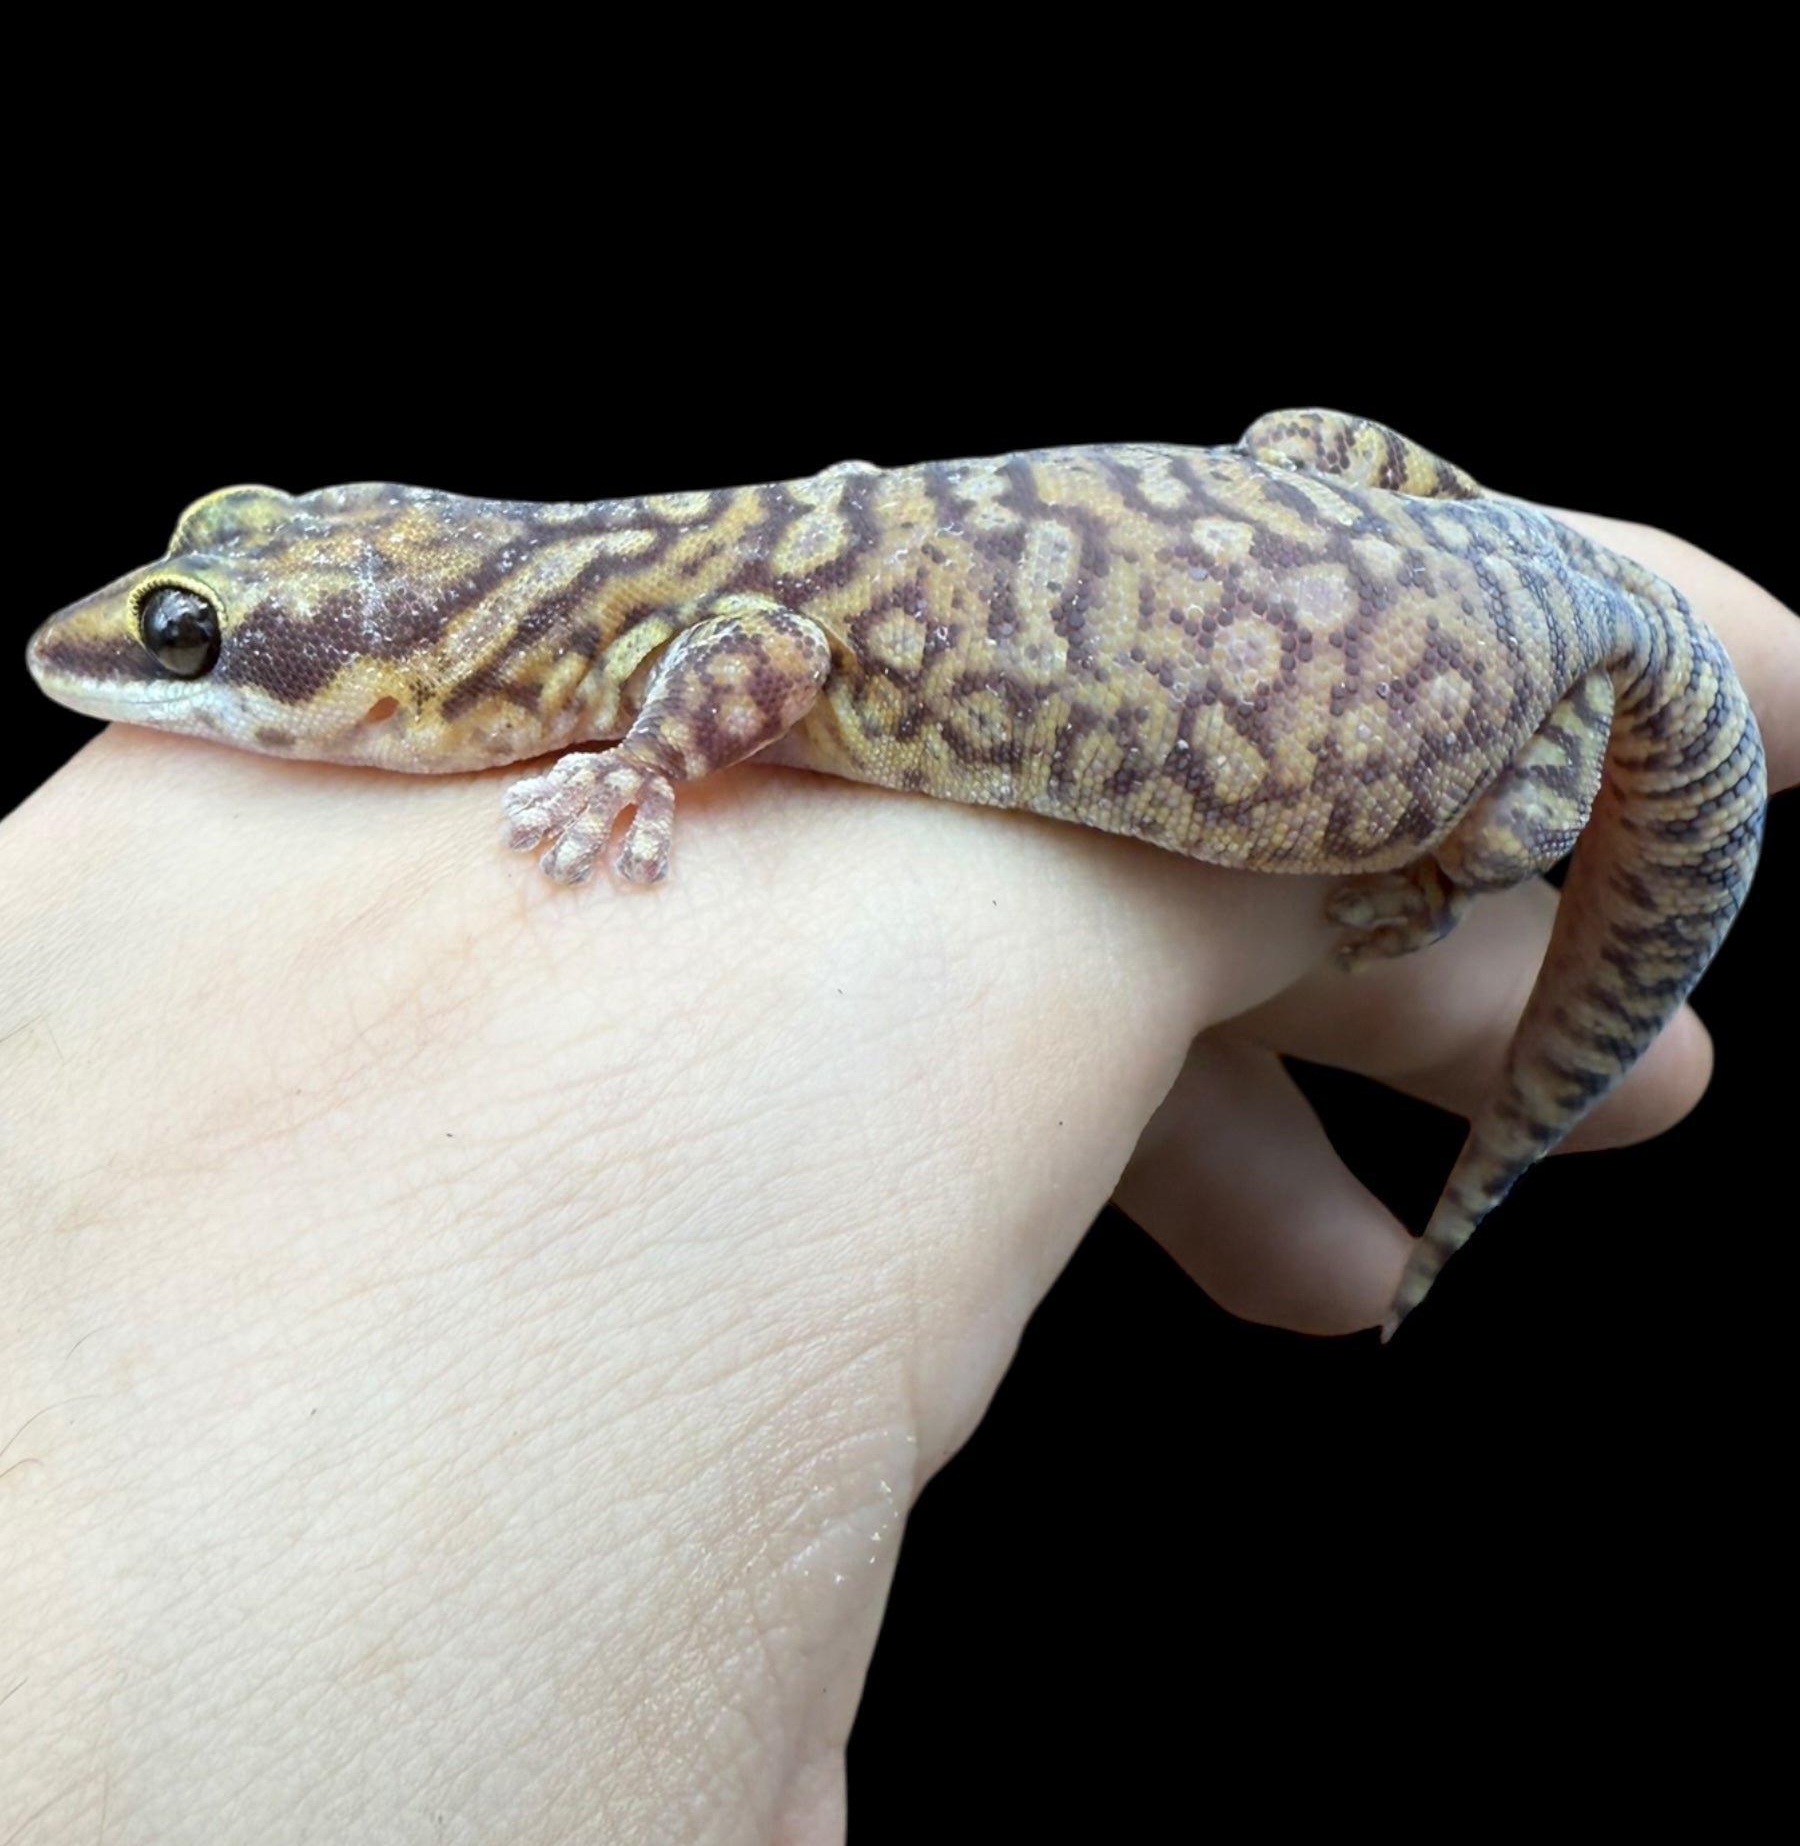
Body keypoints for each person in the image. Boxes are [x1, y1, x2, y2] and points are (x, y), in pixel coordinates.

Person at [2, 509, 1793, 1842]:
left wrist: (642, 774)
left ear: (391, 663)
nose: (130, 659)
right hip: (1437, 551)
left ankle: (1503, 858)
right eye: (196, 618)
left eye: (187, 635)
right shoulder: (619, 600)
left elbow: (764, 663)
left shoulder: (651, 648)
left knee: (1502, 825)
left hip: (1538, 665)